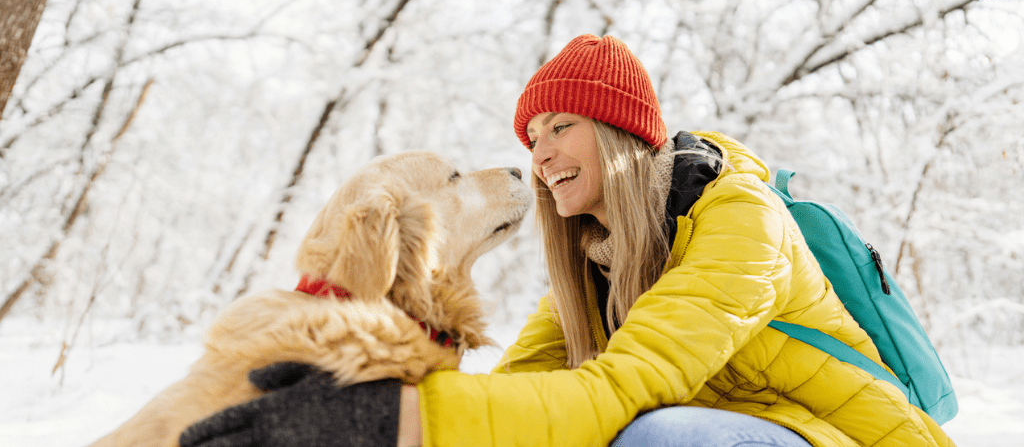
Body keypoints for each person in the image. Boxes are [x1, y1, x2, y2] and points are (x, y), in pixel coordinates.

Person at [180, 35, 956, 447]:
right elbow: (523, 394)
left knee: (659, 436)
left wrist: (399, 426)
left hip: (836, 439)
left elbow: (618, 392)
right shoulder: (593, 264)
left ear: (619, 135)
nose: (538, 153)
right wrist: (375, 399)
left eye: (562, 127)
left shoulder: (739, 223)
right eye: (532, 135)